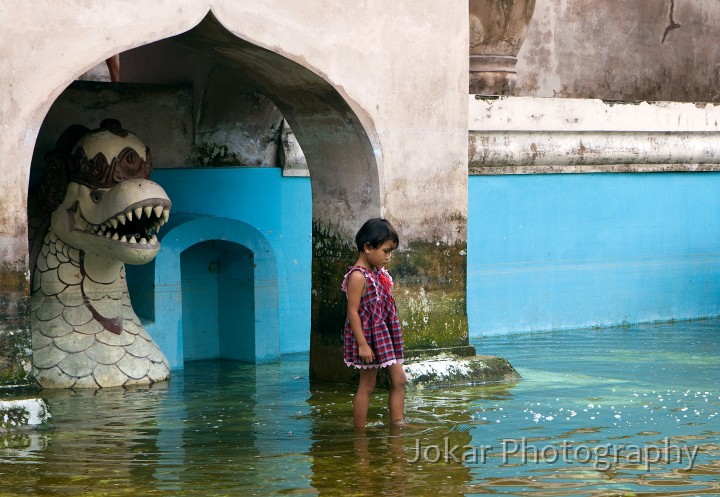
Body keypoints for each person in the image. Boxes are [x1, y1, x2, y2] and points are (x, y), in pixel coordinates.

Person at [342, 218, 407, 428]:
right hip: (369, 338)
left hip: (384, 336)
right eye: (386, 251)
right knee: (367, 385)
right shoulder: (358, 276)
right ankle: (359, 433)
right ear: (367, 247)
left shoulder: (379, 274)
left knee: (399, 380)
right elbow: (352, 311)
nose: (388, 257)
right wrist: (362, 344)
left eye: (391, 252)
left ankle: (398, 424)